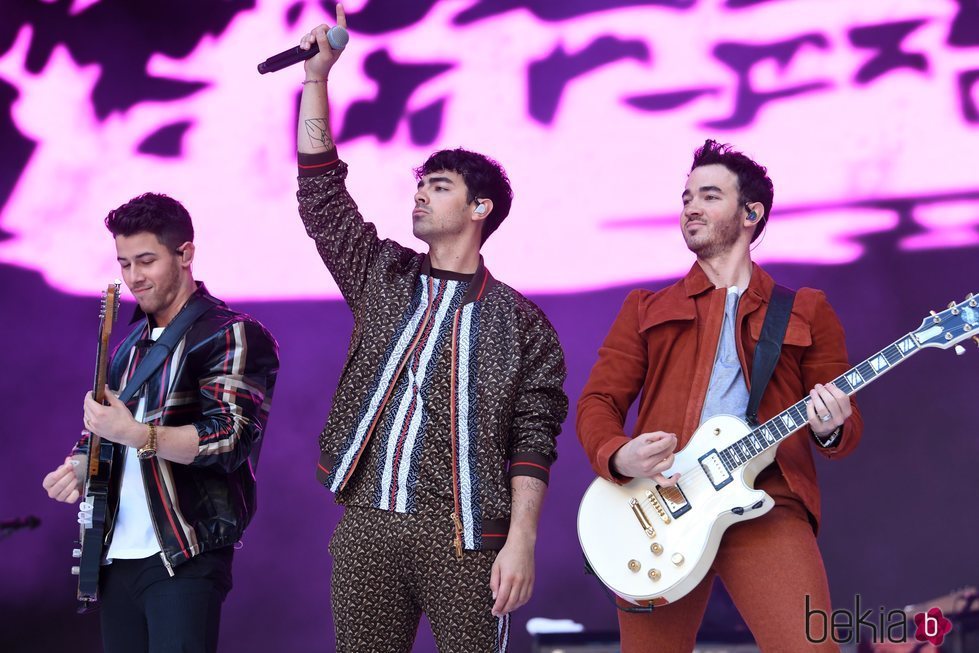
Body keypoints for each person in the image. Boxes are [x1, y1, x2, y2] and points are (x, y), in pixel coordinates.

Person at [293, 14, 568, 653]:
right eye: (418, 183)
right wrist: (316, 79)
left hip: (468, 534)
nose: (418, 194)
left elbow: (534, 440)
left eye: (437, 186)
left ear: (480, 209)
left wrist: (521, 540)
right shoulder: (383, 274)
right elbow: (321, 199)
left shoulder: (521, 321)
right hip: (367, 523)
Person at [577, 140, 864, 651]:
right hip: (659, 500)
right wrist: (619, 454)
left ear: (751, 213)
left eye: (709, 196)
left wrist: (831, 424)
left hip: (766, 501)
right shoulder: (645, 307)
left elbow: (844, 426)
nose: (690, 207)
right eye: (686, 196)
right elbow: (597, 402)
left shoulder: (805, 310)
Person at [41, 192, 279, 653]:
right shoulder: (128, 345)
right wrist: (80, 460)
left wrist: (137, 435)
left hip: (183, 553)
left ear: (185, 254)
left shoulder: (230, 332)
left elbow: (230, 438)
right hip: (114, 554)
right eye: (125, 263)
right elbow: (102, 428)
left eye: (146, 261)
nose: (134, 277)